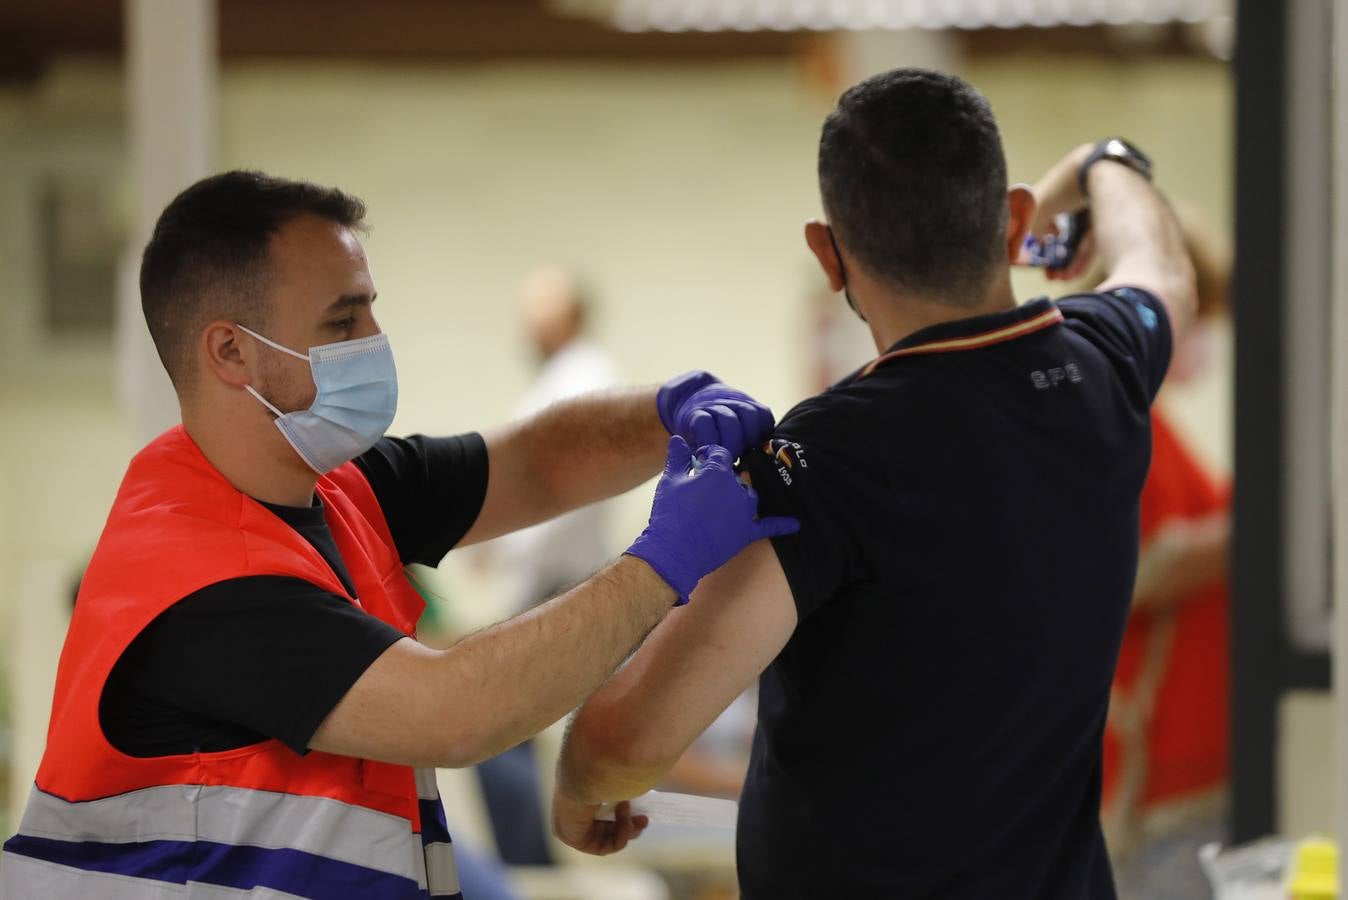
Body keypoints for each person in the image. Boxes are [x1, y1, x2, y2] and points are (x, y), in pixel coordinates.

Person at [0, 171, 797, 899]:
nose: (375, 340)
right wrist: (665, 559)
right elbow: (455, 710)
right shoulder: (198, 575)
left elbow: (532, 465)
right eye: (344, 320)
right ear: (231, 350)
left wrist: (669, 409)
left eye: (371, 309)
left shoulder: (334, 484)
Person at [551, 68, 1197, 899]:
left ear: (829, 253)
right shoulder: (1102, 364)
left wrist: (575, 785)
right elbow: (1161, 267)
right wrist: (1105, 160)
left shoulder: (826, 458)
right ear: (1016, 223)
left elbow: (627, 744)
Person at [1100, 217, 1232, 900]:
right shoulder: (1117, 424)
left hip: (1192, 775)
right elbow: (1127, 573)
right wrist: (1257, 529)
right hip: (1151, 782)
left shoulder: (1158, 426)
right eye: (1195, 312)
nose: (1204, 334)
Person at [473, 267, 623, 868]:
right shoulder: (564, 380)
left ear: (574, 316)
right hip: (549, 579)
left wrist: (501, 543)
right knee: (499, 723)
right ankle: (530, 859)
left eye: (544, 310)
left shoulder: (584, 381)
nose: (530, 323)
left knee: (489, 719)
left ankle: (528, 863)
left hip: (560, 580)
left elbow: (560, 491)